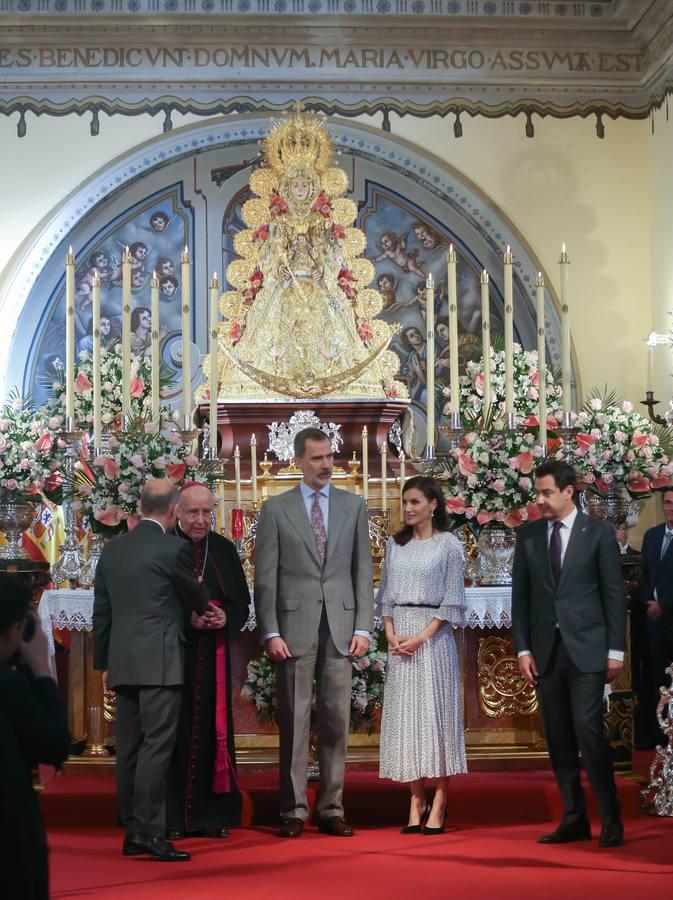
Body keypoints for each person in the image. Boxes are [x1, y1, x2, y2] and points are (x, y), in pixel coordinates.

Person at [254, 427, 373, 838]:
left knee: (338, 720)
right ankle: (291, 810)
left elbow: (363, 571)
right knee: (295, 718)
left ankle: (332, 807)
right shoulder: (275, 509)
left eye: (329, 457)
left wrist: (363, 626)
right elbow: (265, 578)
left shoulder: (354, 506)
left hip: (341, 627)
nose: (326, 465)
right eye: (318, 459)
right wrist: (269, 630)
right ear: (299, 461)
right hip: (294, 627)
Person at [93, 478, 210, 862]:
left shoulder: (112, 551)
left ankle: (131, 829)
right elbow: (195, 597)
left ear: (140, 506)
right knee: (156, 748)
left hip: (124, 660)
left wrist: (104, 664)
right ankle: (150, 832)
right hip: (160, 661)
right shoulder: (173, 548)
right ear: (174, 509)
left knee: (128, 748)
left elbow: (102, 613)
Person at [512, 459, 626, 848]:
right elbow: (521, 599)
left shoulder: (597, 534)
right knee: (558, 736)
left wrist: (616, 651)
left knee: (588, 731)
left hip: (589, 650)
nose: (539, 500)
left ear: (567, 492)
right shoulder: (527, 536)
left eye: (546, 493)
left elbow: (613, 595)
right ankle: (574, 817)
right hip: (546, 653)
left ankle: (611, 819)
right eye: (537, 492)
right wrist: (523, 648)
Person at [378, 476, 467, 834]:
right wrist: (390, 634)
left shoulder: (448, 544)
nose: (409, 508)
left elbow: (453, 599)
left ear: (433, 504)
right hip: (400, 636)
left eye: (415, 501)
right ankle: (416, 799)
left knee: (436, 716)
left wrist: (422, 636)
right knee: (408, 719)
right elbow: (384, 596)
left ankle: (441, 797)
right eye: (405, 502)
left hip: (433, 637)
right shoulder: (394, 545)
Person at [166, 482, 250, 840]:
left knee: (212, 735)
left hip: (213, 658)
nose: (201, 520)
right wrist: (188, 618)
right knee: (175, 734)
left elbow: (242, 604)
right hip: (174, 658)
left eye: (206, 512)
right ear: (178, 513)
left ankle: (212, 815)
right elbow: (153, 604)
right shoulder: (166, 547)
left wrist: (224, 617)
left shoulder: (223, 549)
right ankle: (173, 818)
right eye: (193, 512)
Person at [0, 574, 69, 900]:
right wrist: (41, 669)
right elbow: (54, 745)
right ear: (15, 630)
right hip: (11, 827)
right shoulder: (9, 686)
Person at [637, 489, 673, 746]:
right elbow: (645, 576)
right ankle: (656, 734)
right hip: (654, 622)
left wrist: (665, 605)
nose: (671, 507)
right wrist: (649, 602)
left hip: (671, 616)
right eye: (668, 503)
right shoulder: (652, 536)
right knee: (655, 679)